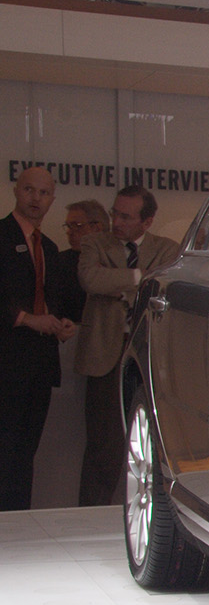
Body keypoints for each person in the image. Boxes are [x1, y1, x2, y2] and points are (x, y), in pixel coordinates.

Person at [75, 186, 178, 506]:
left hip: (148, 355)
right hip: (105, 353)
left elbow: (163, 288)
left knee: (149, 441)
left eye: (125, 217)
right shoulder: (94, 243)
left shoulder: (167, 249)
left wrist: (117, 282)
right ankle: (92, 513)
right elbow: (91, 279)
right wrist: (137, 277)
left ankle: (146, 509)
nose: (116, 222)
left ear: (147, 222)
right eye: (114, 213)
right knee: (102, 446)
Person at [0, 167, 81, 511]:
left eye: (44, 193)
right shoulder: (2, 235)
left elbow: (52, 301)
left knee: (25, 451)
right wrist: (26, 319)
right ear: (16, 191)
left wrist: (62, 325)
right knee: (5, 450)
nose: (36, 199)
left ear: (52, 199)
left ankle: (19, 522)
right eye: (29, 190)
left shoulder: (48, 247)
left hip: (40, 365)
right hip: (7, 362)